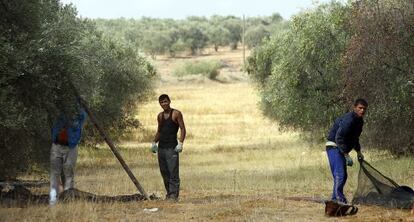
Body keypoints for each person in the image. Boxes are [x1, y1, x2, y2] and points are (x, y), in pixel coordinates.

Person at [326, 98, 368, 204]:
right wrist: (346, 154)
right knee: (340, 174)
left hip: (341, 148)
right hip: (334, 146)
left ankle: (336, 199)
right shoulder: (349, 120)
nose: (362, 110)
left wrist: (358, 152)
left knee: (343, 175)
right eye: (360, 108)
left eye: (364, 109)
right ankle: (338, 200)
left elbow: (355, 138)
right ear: (354, 108)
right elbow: (338, 137)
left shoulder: (359, 121)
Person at [49, 106, 87, 205]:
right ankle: (53, 199)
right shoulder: (59, 106)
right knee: (55, 173)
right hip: (57, 145)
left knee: (69, 172)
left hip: (71, 146)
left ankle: (68, 198)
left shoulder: (79, 111)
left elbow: (80, 122)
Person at [151, 94, 186, 201]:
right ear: (160, 104)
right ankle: (169, 194)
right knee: (164, 172)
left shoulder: (176, 113)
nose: (164, 104)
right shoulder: (160, 116)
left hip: (172, 148)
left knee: (173, 172)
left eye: (165, 101)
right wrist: (154, 142)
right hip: (161, 148)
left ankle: (174, 196)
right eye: (161, 102)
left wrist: (180, 143)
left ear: (169, 101)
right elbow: (159, 131)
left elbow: (183, 129)